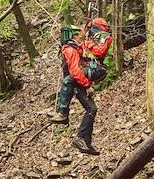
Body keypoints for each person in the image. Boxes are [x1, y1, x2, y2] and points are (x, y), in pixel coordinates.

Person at [48, 17, 113, 155]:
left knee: (92, 108)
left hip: (80, 81)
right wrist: (88, 84)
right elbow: (75, 72)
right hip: (79, 82)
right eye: (77, 35)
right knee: (69, 80)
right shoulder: (70, 49)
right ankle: (62, 112)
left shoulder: (78, 47)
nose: (80, 37)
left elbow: (93, 52)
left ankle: (84, 141)